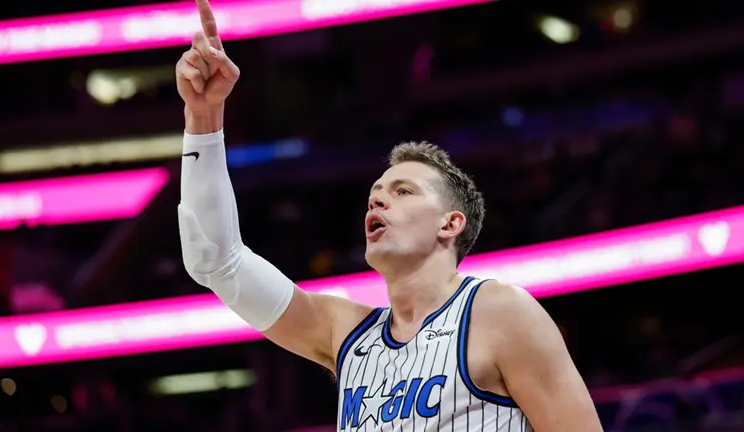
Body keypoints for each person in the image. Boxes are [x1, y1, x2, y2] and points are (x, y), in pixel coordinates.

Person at [176, 1, 603, 430]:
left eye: (403, 191)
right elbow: (216, 260)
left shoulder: (500, 312)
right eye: (374, 195)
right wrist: (203, 115)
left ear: (450, 223)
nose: (377, 201)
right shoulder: (346, 334)